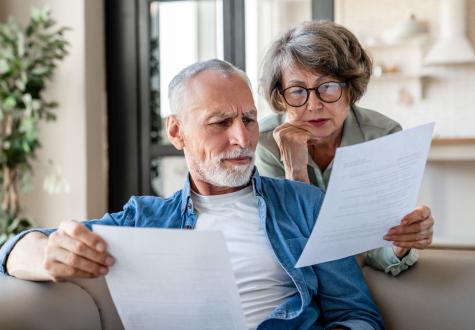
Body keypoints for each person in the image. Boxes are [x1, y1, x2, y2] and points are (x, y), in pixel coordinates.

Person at [0, 59, 383, 329]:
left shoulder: (304, 203)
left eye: (249, 119)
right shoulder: (144, 221)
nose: (243, 138)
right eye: (220, 122)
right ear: (176, 132)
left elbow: (356, 314)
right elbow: (13, 248)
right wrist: (49, 256)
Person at [256, 21, 434, 276]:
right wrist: (296, 173)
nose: (314, 105)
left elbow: (375, 246)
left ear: (350, 89)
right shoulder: (265, 143)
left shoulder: (383, 137)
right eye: (297, 91)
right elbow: (288, 247)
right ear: (280, 96)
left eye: (327, 87)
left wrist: (400, 244)